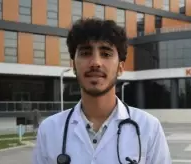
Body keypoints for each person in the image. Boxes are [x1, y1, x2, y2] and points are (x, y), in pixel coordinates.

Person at [32, 18, 172, 164]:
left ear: (120, 67)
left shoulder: (148, 128)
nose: (95, 63)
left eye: (106, 54)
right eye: (86, 53)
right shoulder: (49, 130)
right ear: (74, 65)